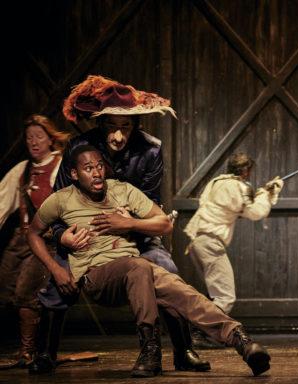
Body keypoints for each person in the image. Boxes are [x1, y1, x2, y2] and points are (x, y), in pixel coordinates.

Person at [27, 145, 271, 378]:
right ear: (74, 173)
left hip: (135, 271)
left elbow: (164, 223)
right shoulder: (62, 199)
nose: (96, 172)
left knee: (180, 290)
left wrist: (129, 223)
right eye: (88, 168)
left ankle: (242, 341)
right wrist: (56, 268)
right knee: (141, 266)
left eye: (100, 166)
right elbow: (33, 233)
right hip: (97, 275)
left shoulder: (122, 190)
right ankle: (150, 348)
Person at [30, 75, 209, 373]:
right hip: (84, 234)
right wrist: (63, 239)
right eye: (111, 126)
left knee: (167, 269)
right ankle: (45, 353)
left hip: (134, 232)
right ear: (101, 125)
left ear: (136, 125)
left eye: (125, 127)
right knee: (56, 282)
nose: (118, 135)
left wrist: (129, 224)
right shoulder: (79, 148)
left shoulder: (151, 149)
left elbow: (152, 207)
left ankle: (183, 349)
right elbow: (60, 205)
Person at [184, 152, 283, 347]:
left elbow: (231, 204)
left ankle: (203, 333)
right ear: (246, 170)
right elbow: (254, 212)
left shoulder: (216, 182)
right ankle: (199, 333)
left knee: (216, 293)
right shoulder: (239, 186)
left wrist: (262, 191)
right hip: (210, 242)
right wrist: (269, 193)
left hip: (197, 240)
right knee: (225, 295)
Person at [0, 114, 69, 366]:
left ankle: (28, 351)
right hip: (21, 239)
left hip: (46, 239)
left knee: (26, 292)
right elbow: (1, 203)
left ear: (51, 139)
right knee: (3, 288)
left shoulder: (61, 166)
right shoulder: (22, 170)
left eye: (39, 136)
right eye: (29, 137)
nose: (34, 142)